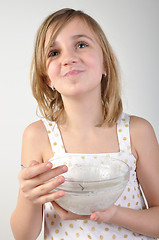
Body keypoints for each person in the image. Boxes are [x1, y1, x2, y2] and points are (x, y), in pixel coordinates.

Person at [10, 8, 159, 240]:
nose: (68, 58)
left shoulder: (138, 132)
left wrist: (113, 214)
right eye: (54, 52)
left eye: (81, 45)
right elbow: (23, 236)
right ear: (47, 78)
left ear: (106, 63)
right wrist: (29, 197)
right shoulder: (37, 136)